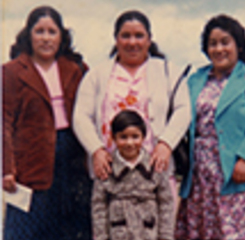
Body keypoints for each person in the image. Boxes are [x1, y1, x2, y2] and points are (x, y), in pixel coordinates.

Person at [73, 10, 190, 208]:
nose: (132, 42)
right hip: (110, 172)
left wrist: (166, 144)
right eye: (125, 35)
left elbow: (183, 109)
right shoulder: (97, 75)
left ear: (149, 39)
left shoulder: (168, 71)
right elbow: (81, 116)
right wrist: (96, 150)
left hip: (155, 168)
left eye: (139, 36)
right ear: (116, 39)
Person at [175, 14, 245, 240]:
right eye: (212, 43)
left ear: (239, 46)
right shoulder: (195, 80)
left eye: (225, 42)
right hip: (200, 178)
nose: (219, 49)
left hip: (235, 174)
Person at [2, 6, 92, 240]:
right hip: (30, 160)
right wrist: (7, 168)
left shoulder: (76, 69)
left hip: (71, 158)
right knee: (26, 229)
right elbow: (4, 122)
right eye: (39, 31)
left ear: (61, 36)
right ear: (28, 35)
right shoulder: (11, 72)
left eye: (52, 32)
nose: (45, 38)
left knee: (69, 228)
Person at [92, 109, 174, 240]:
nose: (129, 143)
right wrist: (102, 236)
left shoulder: (154, 167)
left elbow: (166, 203)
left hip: (148, 233)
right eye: (123, 137)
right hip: (119, 233)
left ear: (143, 137)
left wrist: (165, 236)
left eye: (135, 137)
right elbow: (99, 205)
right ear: (113, 138)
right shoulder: (107, 169)